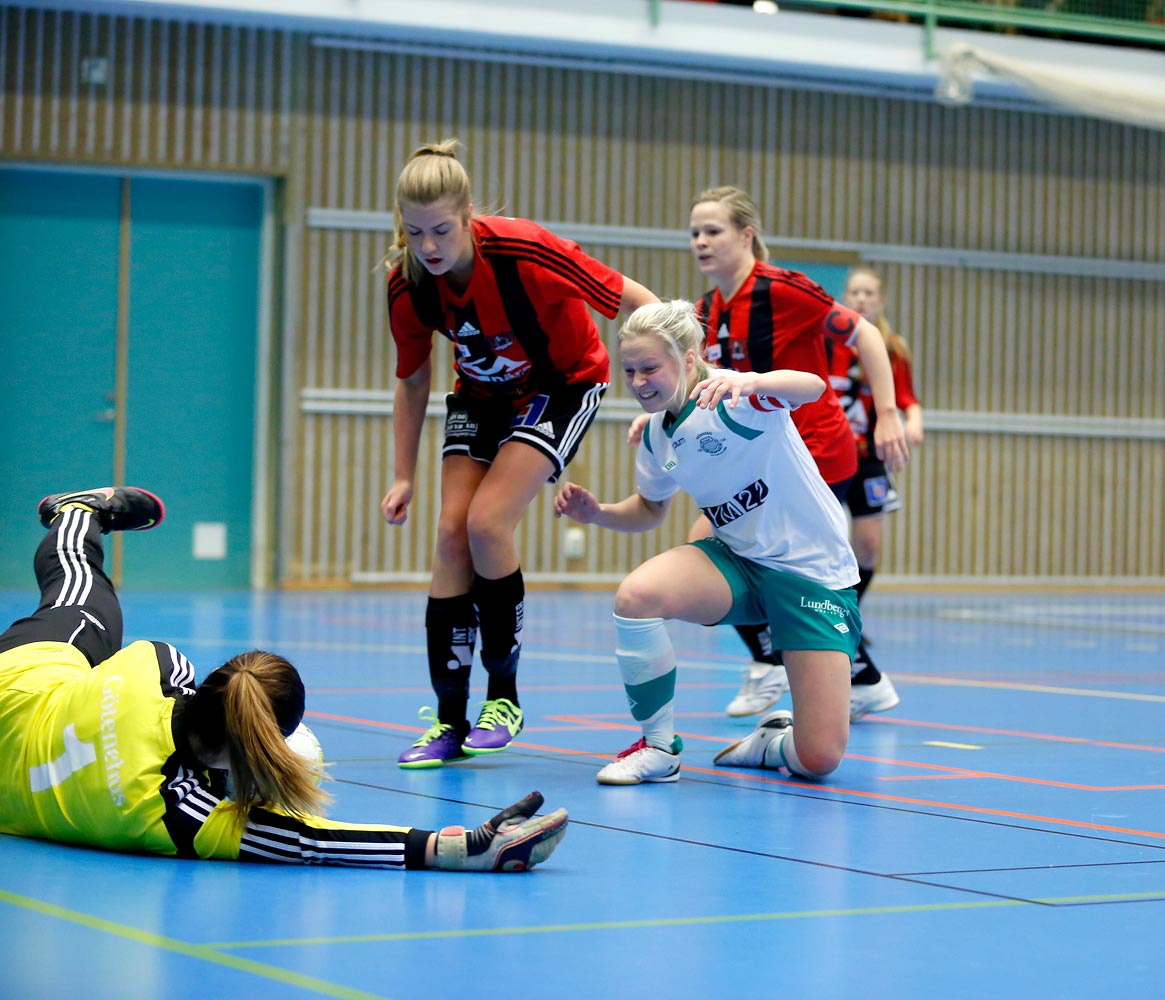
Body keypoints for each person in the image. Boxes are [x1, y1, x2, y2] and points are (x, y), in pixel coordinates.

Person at [0, 487, 568, 871]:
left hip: (19, 687)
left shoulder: (155, 663)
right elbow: (313, 840)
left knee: (80, 596)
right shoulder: (185, 821)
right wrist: (468, 849)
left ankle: (79, 513)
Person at [381, 139, 659, 768]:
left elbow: (630, 297)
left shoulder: (523, 248)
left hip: (562, 388)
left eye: (443, 230)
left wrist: (684, 375)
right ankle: (449, 722)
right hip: (481, 397)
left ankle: (502, 698)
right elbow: (413, 378)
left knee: (487, 523)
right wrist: (403, 474)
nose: (429, 246)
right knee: (451, 535)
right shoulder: (409, 283)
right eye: (415, 231)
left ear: (469, 214)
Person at [555, 302, 861, 785]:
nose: (637, 383)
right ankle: (659, 747)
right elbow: (650, 510)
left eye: (650, 368)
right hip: (739, 563)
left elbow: (814, 386)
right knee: (636, 596)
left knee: (818, 758)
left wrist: (754, 380)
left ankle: (771, 741)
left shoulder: (736, 399)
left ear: (691, 357)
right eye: (629, 370)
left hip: (810, 574)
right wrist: (598, 514)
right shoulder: (658, 436)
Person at [679, 186, 909, 722]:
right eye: (693, 232)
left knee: (748, 555)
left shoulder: (782, 289)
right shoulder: (707, 309)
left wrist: (891, 413)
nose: (701, 241)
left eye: (712, 230)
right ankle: (860, 677)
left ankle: (777, 666)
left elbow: (866, 334)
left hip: (819, 451)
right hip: (762, 459)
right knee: (720, 551)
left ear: (745, 236)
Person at [831, 267, 924, 662]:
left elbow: (906, 397)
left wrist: (915, 421)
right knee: (825, 541)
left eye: (870, 293)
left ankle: (852, 614)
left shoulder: (891, 347)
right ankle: (829, 618)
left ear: (880, 301)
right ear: (845, 298)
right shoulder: (827, 340)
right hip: (831, 455)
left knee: (867, 545)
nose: (862, 299)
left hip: (869, 458)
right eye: (855, 292)